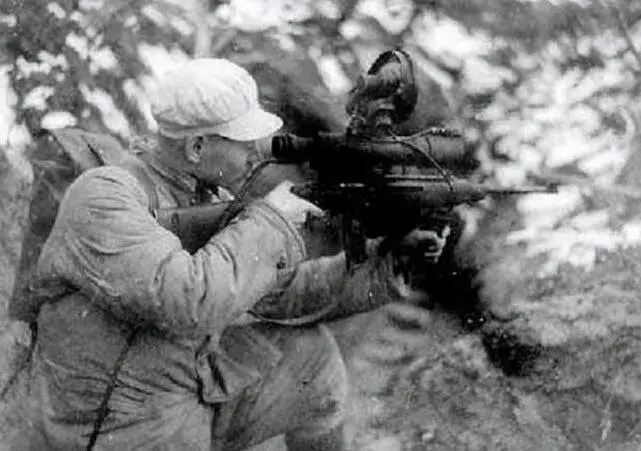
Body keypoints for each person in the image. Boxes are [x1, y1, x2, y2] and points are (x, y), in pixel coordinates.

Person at [21, 58, 448, 451]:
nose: (257, 150)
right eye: (243, 140)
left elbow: (281, 296)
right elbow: (188, 303)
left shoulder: (211, 199)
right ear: (196, 147)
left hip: (175, 396)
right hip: (112, 426)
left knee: (311, 356)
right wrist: (270, 222)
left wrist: (385, 263)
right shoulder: (104, 195)